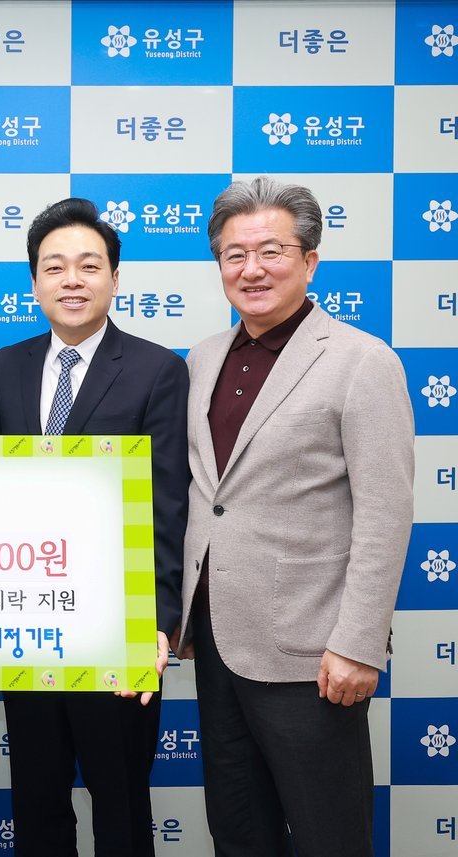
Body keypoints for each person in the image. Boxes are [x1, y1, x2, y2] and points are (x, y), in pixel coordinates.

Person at [178, 177, 413, 857]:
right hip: (217, 643)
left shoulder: (362, 360)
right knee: (238, 831)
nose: (251, 269)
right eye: (234, 255)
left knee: (327, 836)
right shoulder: (203, 359)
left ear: (309, 261)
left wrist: (358, 643)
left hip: (313, 653)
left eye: (271, 251)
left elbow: (385, 513)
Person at [0, 198, 190, 856]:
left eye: (89, 265)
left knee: (121, 802)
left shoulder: (158, 369)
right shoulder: (8, 365)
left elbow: (168, 503)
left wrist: (158, 621)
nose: (71, 280)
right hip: (27, 622)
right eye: (55, 267)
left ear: (115, 278)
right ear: (34, 282)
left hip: (116, 622)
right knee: (37, 799)